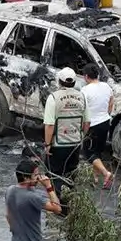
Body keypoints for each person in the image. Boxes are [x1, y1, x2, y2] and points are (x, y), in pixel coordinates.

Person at [43, 68, 90, 204]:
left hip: (57, 145)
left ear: (59, 81)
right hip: (75, 144)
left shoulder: (53, 98)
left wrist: (47, 144)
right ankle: (70, 203)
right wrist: (81, 137)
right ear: (74, 82)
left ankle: (60, 206)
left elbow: (49, 125)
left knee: (55, 175)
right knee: (70, 175)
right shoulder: (82, 97)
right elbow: (87, 122)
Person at [81, 63, 114, 189]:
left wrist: (82, 128)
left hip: (92, 125)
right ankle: (94, 178)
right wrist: (107, 114)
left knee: (89, 153)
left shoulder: (85, 90)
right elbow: (111, 101)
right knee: (97, 152)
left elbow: (83, 109)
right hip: (105, 122)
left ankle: (106, 173)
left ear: (86, 76)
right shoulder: (106, 86)